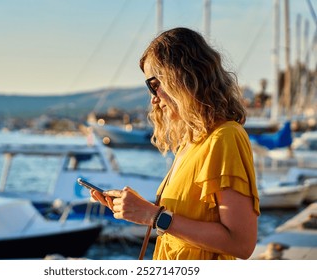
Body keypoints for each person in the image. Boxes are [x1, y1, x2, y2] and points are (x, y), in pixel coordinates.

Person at [90, 27, 260, 260]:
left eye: (154, 83)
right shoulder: (192, 143)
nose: (153, 97)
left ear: (182, 76)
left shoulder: (225, 137)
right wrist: (137, 209)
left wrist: (154, 216)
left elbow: (241, 243)